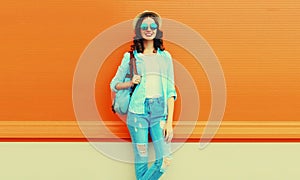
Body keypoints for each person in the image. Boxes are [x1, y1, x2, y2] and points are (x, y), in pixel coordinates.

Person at [110, 10, 177, 180]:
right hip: (137, 113)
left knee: (165, 159)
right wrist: (131, 82)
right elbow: (114, 84)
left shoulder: (165, 57)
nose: (149, 29)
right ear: (139, 30)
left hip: (159, 112)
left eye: (153, 26)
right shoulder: (131, 57)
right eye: (145, 26)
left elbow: (170, 90)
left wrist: (169, 122)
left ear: (157, 29)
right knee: (141, 159)